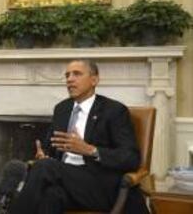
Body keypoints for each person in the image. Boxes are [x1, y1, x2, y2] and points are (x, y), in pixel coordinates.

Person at [9, 59, 144, 214]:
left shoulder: (114, 111)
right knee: (51, 195)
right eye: (67, 75)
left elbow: (131, 158)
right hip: (67, 181)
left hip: (100, 185)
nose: (70, 79)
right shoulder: (62, 109)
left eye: (77, 74)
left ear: (94, 80)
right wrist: (43, 155)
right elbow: (50, 148)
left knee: (45, 168)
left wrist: (90, 150)